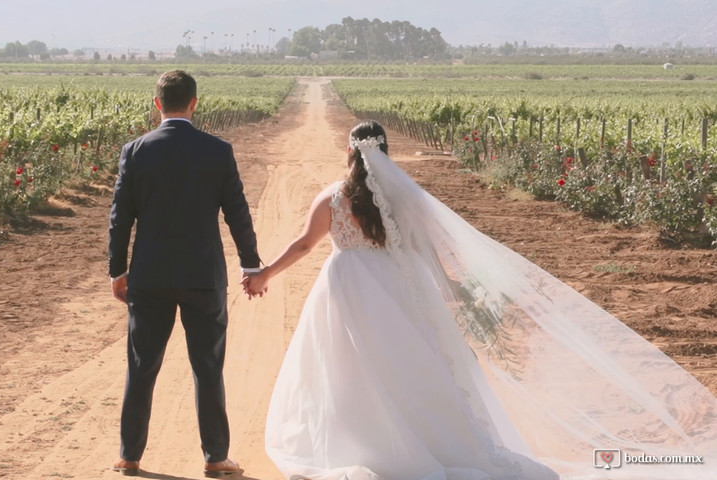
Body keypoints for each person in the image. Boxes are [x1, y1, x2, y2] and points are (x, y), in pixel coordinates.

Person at [244, 120, 717, 480]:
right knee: (408, 364)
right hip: (394, 285)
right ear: (385, 153)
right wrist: (453, 291)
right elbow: (426, 251)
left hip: (347, 285)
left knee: (346, 366)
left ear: (349, 151)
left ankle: (359, 445)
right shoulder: (404, 198)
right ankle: (423, 442)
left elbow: (306, 245)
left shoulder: (332, 196)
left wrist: (266, 273)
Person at [108, 70, 261, 477]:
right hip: (202, 275)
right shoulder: (217, 150)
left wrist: (117, 270)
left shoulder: (135, 151)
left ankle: (129, 455)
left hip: (150, 275)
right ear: (194, 103)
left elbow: (120, 219)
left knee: (141, 366)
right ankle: (215, 457)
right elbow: (237, 213)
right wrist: (251, 264)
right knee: (207, 367)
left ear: (157, 103)